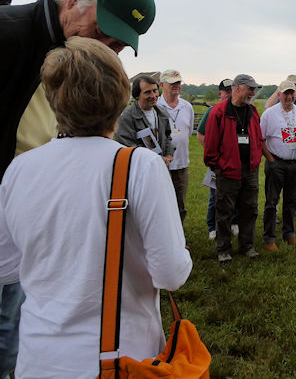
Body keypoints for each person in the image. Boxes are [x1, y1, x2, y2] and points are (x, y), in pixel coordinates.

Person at [0, 37, 191, 377]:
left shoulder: (19, 169)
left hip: (36, 360)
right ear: (120, 98)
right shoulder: (140, 165)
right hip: (118, 360)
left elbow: (6, 267)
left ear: (53, 98)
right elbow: (171, 273)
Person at [204, 74, 266, 262]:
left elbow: (258, 137)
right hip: (228, 170)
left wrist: (255, 159)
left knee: (250, 209)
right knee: (224, 210)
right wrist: (218, 165)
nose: (253, 93)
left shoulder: (253, 111)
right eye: (250, 89)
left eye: (254, 89)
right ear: (237, 88)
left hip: (250, 170)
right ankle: (223, 249)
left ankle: (246, 246)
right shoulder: (219, 111)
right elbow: (211, 143)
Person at [260, 80, 296, 251]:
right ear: (279, 95)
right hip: (276, 163)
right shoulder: (269, 114)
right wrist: (270, 159)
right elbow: (261, 139)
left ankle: (289, 235)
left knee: (291, 202)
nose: (289, 96)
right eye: (286, 93)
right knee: (271, 201)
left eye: (292, 93)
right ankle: (269, 238)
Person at [196, 79, 238, 240]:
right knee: (215, 196)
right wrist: (215, 153)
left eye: (231, 90)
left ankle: (234, 222)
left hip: (235, 163)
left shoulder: (239, 110)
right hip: (218, 163)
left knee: (235, 194)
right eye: (226, 91)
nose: (229, 94)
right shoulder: (213, 111)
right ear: (220, 94)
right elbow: (201, 135)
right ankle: (212, 227)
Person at [157, 70, 195, 223]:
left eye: (178, 82)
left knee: (180, 204)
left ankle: (179, 240)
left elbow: (189, 131)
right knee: (160, 203)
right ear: (161, 85)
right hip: (160, 164)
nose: (176, 86)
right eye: (172, 83)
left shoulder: (187, 107)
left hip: (181, 163)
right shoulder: (156, 106)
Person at [114, 75, 174, 165]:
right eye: (147, 92)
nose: (153, 95)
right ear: (137, 95)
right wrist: (158, 159)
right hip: (139, 170)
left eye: (155, 91)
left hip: (161, 166)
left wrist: (169, 154)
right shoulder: (127, 117)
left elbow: (167, 136)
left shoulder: (162, 113)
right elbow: (127, 146)